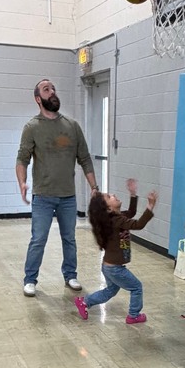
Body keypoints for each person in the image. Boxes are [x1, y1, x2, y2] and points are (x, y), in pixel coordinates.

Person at [16, 78, 99, 297]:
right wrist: (22, 182)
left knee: (69, 238)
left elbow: (85, 158)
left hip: (67, 197)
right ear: (38, 99)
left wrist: (94, 187)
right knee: (39, 239)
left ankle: (70, 274)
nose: (52, 92)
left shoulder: (72, 126)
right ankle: (30, 279)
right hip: (43, 196)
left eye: (53, 88)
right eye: (46, 89)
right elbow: (22, 159)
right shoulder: (32, 127)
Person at [74, 178, 157, 324]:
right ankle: (133, 315)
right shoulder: (115, 221)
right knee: (136, 287)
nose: (112, 194)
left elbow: (131, 212)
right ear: (108, 209)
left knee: (110, 291)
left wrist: (132, 194)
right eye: (109, 196)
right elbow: (138, 224)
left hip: (109, 267)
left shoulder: (116, 217)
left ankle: (84, 302)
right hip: (115, 269)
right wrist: (150, 206)